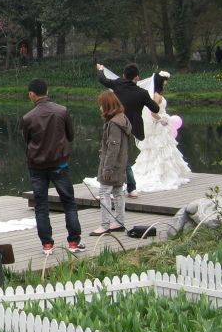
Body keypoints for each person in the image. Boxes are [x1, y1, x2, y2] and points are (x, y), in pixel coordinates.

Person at [22, 78, 85, 254]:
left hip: (37, 166)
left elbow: (27, 142)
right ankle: (74, 242)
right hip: (60, 164)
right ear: (47, 92)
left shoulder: (28, 117)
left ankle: (47, 245)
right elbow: (70, 136)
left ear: (31, 94)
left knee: (41, 206)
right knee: (69, 203)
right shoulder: (62, 111)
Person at [96, 62, 161, 198]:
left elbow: (102, 79)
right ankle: (131, 188)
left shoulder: (118, 84)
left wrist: (101, 69)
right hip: (131, 128)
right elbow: (155, 109)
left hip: (115, 125)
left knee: (115, 156)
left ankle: (119, 188)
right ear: (136, 77)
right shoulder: (141, 93)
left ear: (124, 75)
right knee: (122, 156)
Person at [130, 71, 191, 192]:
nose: (166, 82)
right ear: (160, 81)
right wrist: (162, 120)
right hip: (159, 125)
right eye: (165, 80)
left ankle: (167, 171)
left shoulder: (157, 94)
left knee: (165, 148)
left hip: (163, 126)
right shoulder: (156, 96)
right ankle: (160, 173)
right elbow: (153, 112)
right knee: (159, 148)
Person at [90, 91, 132, 236]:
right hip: (121, 164)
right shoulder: (122, 119)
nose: (100, 108)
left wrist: (106, 170)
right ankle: (119, 222)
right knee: (118, 192)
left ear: (107, 105)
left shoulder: (114, 123)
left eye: (101, 105)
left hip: (113, 165)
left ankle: (104, 225)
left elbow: (113, 149)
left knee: (104, 192)